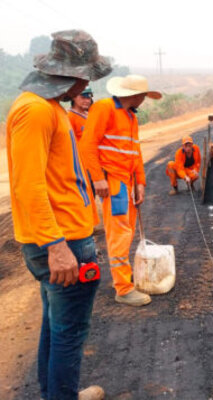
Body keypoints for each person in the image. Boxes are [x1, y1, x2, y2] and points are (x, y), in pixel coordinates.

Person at [7, 30, 110, 400]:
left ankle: (57, 394)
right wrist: (56, 245)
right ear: (71, 74)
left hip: (64, 236)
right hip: (61, 241)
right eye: (86, 76)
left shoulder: (50, 108)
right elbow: (27, 186)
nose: (87, 83)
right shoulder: (34, 112)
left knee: (56, 328)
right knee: (68, 335)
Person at [80, 74, 162, 307]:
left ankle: (124, 276)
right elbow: (87, 145)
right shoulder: (104, 108)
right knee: (119, 233)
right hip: (113, 183)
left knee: (128, 230)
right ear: (134, 95)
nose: (144, 100)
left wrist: (140, 183)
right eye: (143, 96)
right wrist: (98, 179)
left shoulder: (130, 117)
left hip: (127, 182)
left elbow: (135, 153)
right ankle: (123, 288)